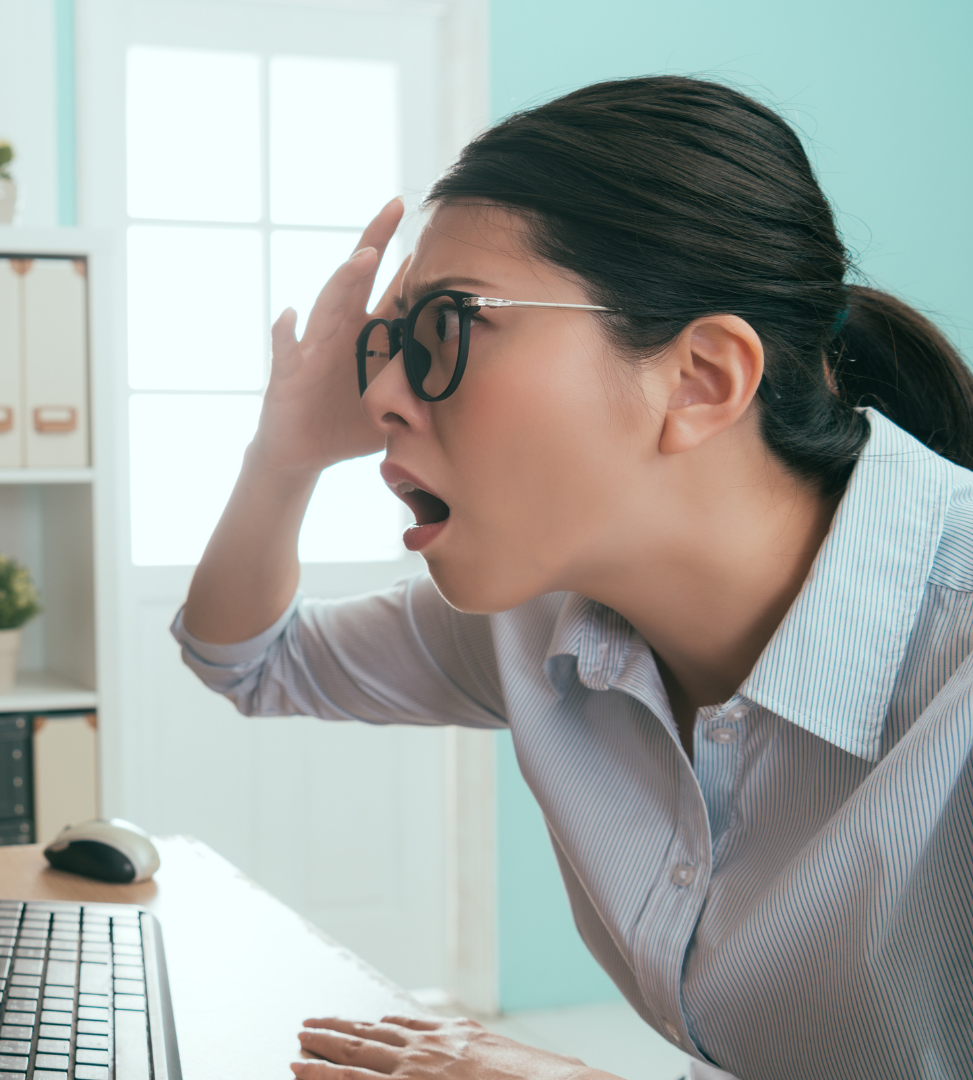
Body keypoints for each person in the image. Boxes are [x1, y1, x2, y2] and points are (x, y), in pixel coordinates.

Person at [174, 75, 973, 1080]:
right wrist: (282, 455)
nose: (377, 391)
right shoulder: (544, 617)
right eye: (388, 345)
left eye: (447, 330)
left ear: (700, 379)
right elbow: (249, 657)